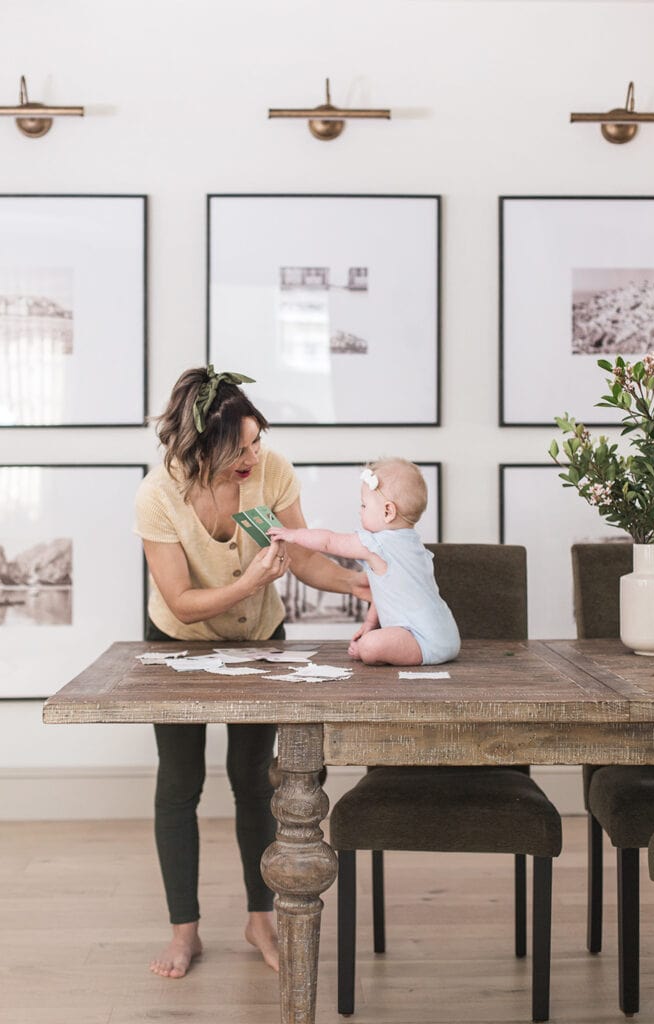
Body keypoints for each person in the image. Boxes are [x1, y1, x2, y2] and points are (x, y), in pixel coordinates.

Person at [134, 365, 369, 979]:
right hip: (176, 643)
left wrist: (357, 585)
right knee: (179, 783)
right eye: (239, 449)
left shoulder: (272, 470)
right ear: (200, 447)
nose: (253, 456)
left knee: (255, 779)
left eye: (256, 441)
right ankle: (185, 932)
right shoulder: (157, 494)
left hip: (260, 637)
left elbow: (304, 558)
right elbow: (181, 600)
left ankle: (258, 919)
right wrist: (247, 581)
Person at [268, 457, 461, 667]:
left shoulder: (377, 544)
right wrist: (370, 623)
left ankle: (367, 649)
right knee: (375, 636)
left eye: (364, 505)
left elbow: (329, 541)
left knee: (369, 647)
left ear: (388, 511)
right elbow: (386, 593)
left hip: (420, 641)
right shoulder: (414, 547)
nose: (360, 511)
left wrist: (293, 534)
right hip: (448, 635)